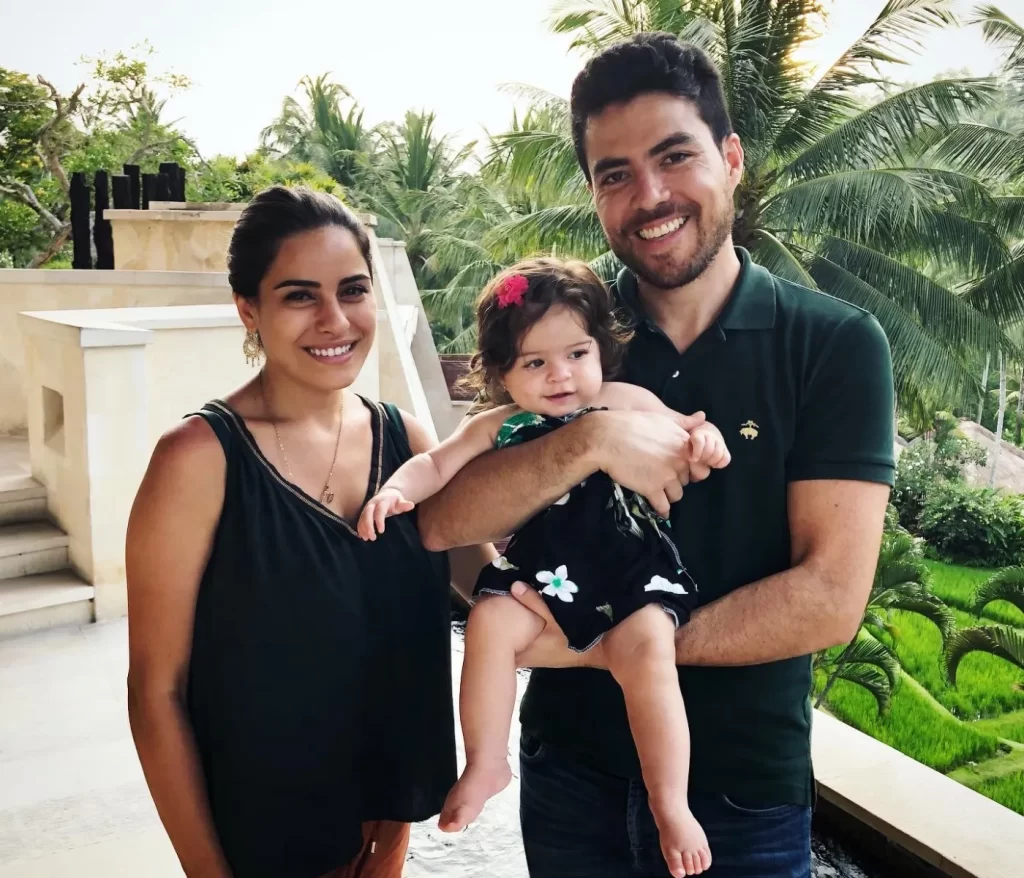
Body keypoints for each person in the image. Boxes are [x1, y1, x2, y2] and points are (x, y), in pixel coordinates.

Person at [417, 33, 895, 878]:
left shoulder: (832, 344)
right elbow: (451, 521)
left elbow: (828, 600)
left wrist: (602, 646)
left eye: (675, 156)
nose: (650, 194)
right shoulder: (568, 341)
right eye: (615, 174)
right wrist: (592, 438)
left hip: (741, 788)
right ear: (595, 195)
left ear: (732, 157)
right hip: (569, 771)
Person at [125, 186, 492, 878]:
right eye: (299, 296)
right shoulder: (198, 460)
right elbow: (155, 692)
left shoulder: (406, 442)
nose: (335, 320)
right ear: (248, 310)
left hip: (384, 835)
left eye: (352, 290)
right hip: (262, 842)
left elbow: (496, 587)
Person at [359, 258, 729, 877]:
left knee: (647, 655)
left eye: (577, 354)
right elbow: (435, 467)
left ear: (600, 351)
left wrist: (706, 439)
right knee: (488, 623)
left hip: (627, 570)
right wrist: (397, 491)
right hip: (544, 579)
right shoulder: (497, 426)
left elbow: (687, 429)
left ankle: (670, 803)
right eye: (535, 363)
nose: (561, 375)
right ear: (503, 372)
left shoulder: (620, 400)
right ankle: (485, 762)